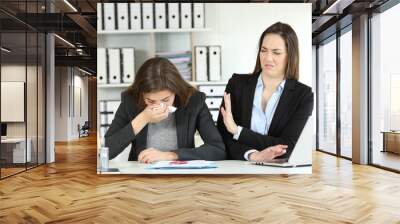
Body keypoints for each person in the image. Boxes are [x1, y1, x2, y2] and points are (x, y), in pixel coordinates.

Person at [217, 22, 314, 162]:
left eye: (276, 52)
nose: (268, 58)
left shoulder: (303, 96)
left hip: (279, 175)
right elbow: (222, 137)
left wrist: (237, 131)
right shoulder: (237, 84)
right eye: (264, 50)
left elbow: (288, 147)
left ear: (290, 56)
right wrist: (253, 155)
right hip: (239, 168)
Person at [105, 57, 226, 163]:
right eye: (151, 101)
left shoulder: (194, 101)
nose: (159, 106)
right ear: (141, 94)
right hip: (142, 174)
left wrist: (171, 155)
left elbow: (217, 149)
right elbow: (107, 151)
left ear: (176, 91)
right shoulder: (131, 101)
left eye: (166, 100)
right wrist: (143, 118)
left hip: (181, 175)